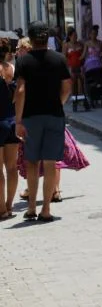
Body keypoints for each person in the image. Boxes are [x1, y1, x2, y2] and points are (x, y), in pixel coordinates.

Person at [14, 21, 71, 222]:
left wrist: (18, 120)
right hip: (54, 115)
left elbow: (20, 91)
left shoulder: (23, 61)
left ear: (31, 39)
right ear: (47, 38)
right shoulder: (59, 59)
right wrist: (59, 103)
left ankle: (31, 208)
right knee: (49, 163)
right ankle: (46, 209)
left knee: (31, 162)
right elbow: (67, 87)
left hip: (31, 117)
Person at [0, 38, 18, 220]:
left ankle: (1, 209)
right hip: (11, 120)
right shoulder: (11, 69)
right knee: (11, 167)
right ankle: (9, 205)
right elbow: (18, 93)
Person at [62, 27, 86, 109]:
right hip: (71, 67)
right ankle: (74, 100)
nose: (75, 37)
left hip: (79, 66)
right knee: (73, 83)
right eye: (74, 36)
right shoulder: (66, 45)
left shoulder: (80, 44)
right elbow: (64, 57)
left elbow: (83, 55)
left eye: (76, 35)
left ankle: (82, 99)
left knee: (81, 81)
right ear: (70, 36)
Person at [83, 24, 102, 106]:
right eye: (92, 34)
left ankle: (98, 96)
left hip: (98, 64)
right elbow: (84, 54)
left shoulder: (100, 43)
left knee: (99, 81)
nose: (94, 35)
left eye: (95, 33)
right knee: (90, 81)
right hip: (89, 65)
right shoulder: (87, 43)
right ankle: (91, 97)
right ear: (90, 34)